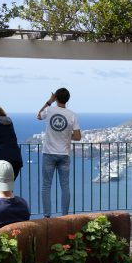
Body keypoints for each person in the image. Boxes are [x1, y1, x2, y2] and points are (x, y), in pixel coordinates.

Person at [36, 87, 81, 218]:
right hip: (64, 155)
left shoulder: (50, 110)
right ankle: (65, 216)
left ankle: (47, 217)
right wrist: (67, 135)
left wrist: (49, 101)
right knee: (65, 186)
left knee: (46, 186)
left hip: (48, 153)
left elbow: (38, 116)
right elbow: (78, 137)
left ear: (56, 98)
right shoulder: (72, 115)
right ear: (68, 99)